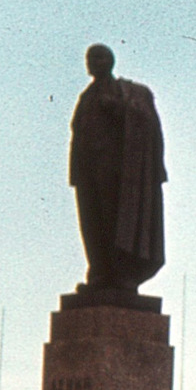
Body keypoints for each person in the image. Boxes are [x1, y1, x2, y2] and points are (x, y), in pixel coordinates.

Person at [70, 44, 167, 293]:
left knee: (119, 224)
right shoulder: (87, 97)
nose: (93, 62)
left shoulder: (129, 92)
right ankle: (100, 273)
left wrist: (119, 109)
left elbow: (148, 123)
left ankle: (121, 274)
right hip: (90, 172)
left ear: (111, 61)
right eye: (90, 58)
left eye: (99, 57)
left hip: (121, 175)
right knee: (93, 224)